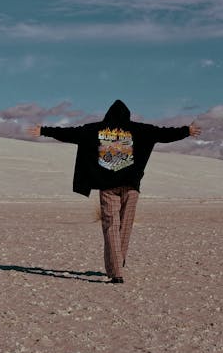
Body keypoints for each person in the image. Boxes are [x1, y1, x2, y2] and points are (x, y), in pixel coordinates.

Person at [28, 100, 201, 283]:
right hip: (131, 186)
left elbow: (70, 133)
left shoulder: (94, 129)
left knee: (111, 226)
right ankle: (118, 262)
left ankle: (116, 271)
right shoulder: (140, 129)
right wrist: (186, 131)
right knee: (125, 225)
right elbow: (164, 133)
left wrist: (44, 130)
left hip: (107, 187)